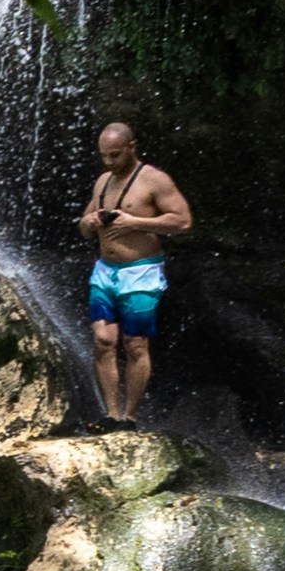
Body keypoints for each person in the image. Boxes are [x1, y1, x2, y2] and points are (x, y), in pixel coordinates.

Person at [77, 122, 192, 424]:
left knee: (135, 343)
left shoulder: (155, 180)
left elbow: (182, 222)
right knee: (103, 340)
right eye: (104, 156)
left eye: (115, 155)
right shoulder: (102, 181)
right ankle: (111, 414)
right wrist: (89, 222)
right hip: (105, 271)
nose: (109, 162)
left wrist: (136, 222)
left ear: (131, 147)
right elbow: (83, 228)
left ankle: (129, 416)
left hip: (141, 273)